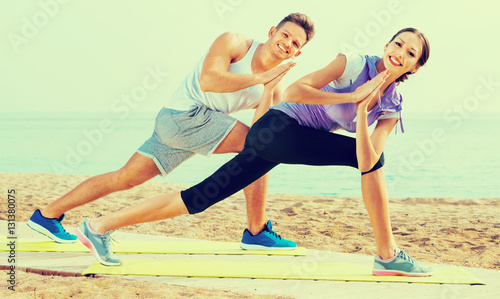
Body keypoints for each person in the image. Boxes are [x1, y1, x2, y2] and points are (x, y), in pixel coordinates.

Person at [75, 27, 433, 277]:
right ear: (387, 44)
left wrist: (361, 109)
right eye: (397, 44)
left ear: (415, 67)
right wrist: (351, 96)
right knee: (372, 162)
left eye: (409, 53)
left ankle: (98, 226)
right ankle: (387, 255)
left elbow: (369, 157)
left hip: (279, 143)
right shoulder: (353, 63)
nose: (399, 53)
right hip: (277, 128)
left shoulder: (392, 104)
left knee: (200, 197)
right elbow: (294, 91)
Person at [27, 13, 315, 251]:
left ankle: (47, 215)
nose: (287, 43)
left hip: (193, 126)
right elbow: (209, 80)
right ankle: (256, 231)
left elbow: (259, 130)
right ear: (272, 31)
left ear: (298, 52)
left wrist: (266, 89)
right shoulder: (235, 42)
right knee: (260, 151)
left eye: (294, 43)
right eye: (285, 35)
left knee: (125, 178)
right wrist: (259, 77)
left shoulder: (276, 86)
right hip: (181, 116)